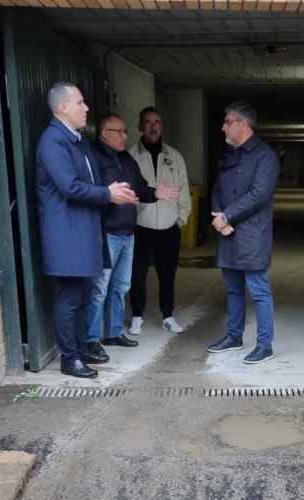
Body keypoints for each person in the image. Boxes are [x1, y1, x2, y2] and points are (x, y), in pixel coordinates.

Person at [35, 82, 137, 379]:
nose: (86, 108)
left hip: (85, 232)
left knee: (82, 296)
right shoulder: (53, 142)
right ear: (63, 107)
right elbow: (69, 186)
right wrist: (108, 194)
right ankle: (70, 358)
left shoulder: (76, 141)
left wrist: (113, 191)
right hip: (67, 236)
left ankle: (81, 348)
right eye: (80, 103)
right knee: (69, 299)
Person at [85, 113, 180, 359]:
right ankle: (91, 339)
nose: (126, 136)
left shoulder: (126, 159)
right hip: (106, 233)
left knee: (120, 287)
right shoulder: (93, 158)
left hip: (128, 232)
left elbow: (140, 188)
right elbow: (88, 193)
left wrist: (157, 192)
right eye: (120, 131)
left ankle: (114, 332)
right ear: (105, 133)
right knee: (99, 289)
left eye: (126, 131)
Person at [206, 101, 280, 365]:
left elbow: (259, 194)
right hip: (227, 232)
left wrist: (228, 216)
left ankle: (264, 345)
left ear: (243, 124)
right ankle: (233, 336)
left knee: (259, 291)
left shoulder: (265, 156)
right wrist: (219, 217)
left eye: (228, 122)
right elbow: (216, 189)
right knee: (233, 290)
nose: (223, 126)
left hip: (251, 234)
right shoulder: (229, 155)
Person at [128, 107, 192, 336]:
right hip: (140, 227)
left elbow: (184, 192)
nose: (153, 127)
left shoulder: (174, 157)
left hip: (168, 227)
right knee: (137, 273)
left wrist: (180, 220)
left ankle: (168, 315)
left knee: (168, 274)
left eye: (157, 122)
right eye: (148, 122)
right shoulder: (131, 156)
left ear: (161, 126)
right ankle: (137, 316)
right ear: (140, 127)